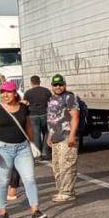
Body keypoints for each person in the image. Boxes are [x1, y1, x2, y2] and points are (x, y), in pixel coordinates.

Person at [0, 81, 45, 218]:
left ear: (15, 93)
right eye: (2, 92)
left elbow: (28, 127)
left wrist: (32, 144)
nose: (4, 95)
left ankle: (35, 211)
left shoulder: (24, 108)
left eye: (8, 92)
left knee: (29, 179)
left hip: (23, 148)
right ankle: (3, 212)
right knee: (4, 181)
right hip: (3, 149)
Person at [46, 74, 80, 203]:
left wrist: (72, 135)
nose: (58, 87)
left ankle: (67, 192)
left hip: (66, 136)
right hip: (55, 137)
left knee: (67, 164)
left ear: (64, 85)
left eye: (60, 84)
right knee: (57, 166)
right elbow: (52, 118)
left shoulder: (70, 97)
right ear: (52, 86)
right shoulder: (51, 99)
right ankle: (63, 190)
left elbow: (75, 117)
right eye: (55, 85)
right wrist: (50, 135)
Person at [23, 75, 53, 160]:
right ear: (39, 81)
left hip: (33, 115)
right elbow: (51, 102)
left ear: (31, 83)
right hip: (45, 114)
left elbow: (24, 103)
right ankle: (45, 153)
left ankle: (38, 155)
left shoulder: (28, 92)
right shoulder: (46, 91)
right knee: (47, 133)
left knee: (36, 134)